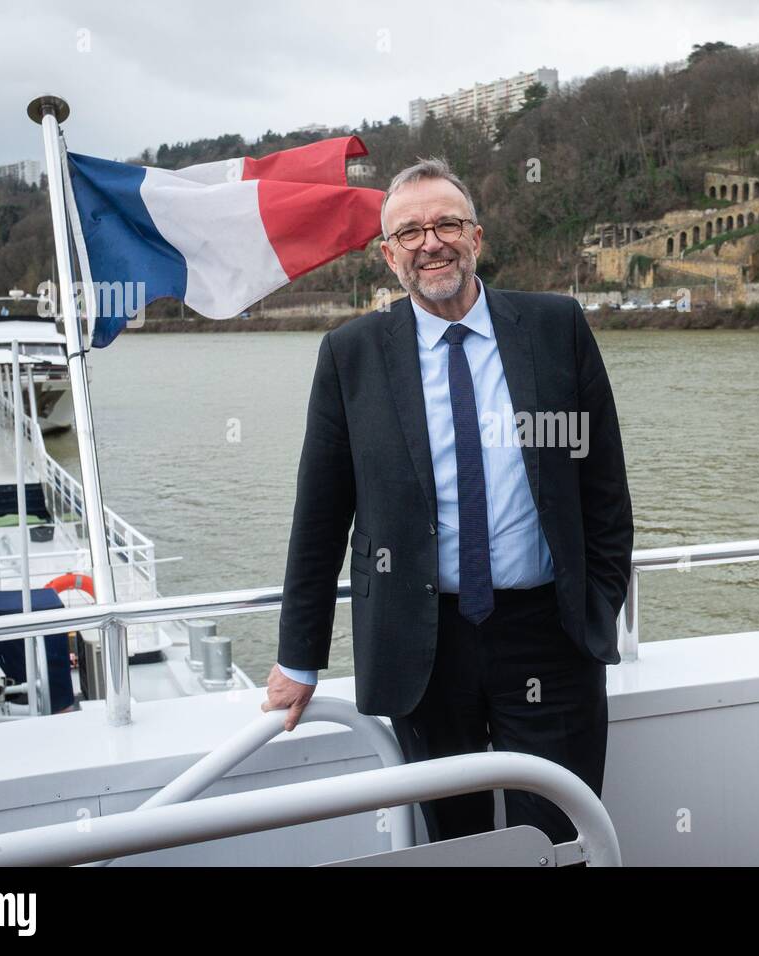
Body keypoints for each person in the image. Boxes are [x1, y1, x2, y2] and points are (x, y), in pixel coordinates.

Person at [262, 156, 633, 846]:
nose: (430, 243)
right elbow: (320, 516)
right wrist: (298, 655)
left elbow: (604, 485)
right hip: (422, 643)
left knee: (561, 840)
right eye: (409, 233)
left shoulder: (555, 328)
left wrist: (598, 605)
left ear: (477, 237)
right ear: (387, 255)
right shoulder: (353, 355)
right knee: (454, 844)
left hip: (549, 636)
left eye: (446, 224)